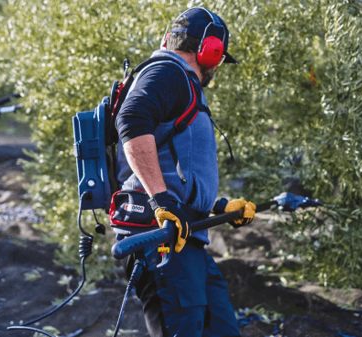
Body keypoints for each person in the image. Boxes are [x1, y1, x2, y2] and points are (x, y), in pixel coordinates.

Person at [114, 7, 256, 336]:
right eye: (220, 58)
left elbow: (177, 168)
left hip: (185, 236)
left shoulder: (179, 82)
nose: (218, 67)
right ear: (211, 51)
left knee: (221, 328)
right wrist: (161, 202)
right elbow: (132, 120)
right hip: (161, 238)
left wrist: (218, 207)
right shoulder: (168, 72)